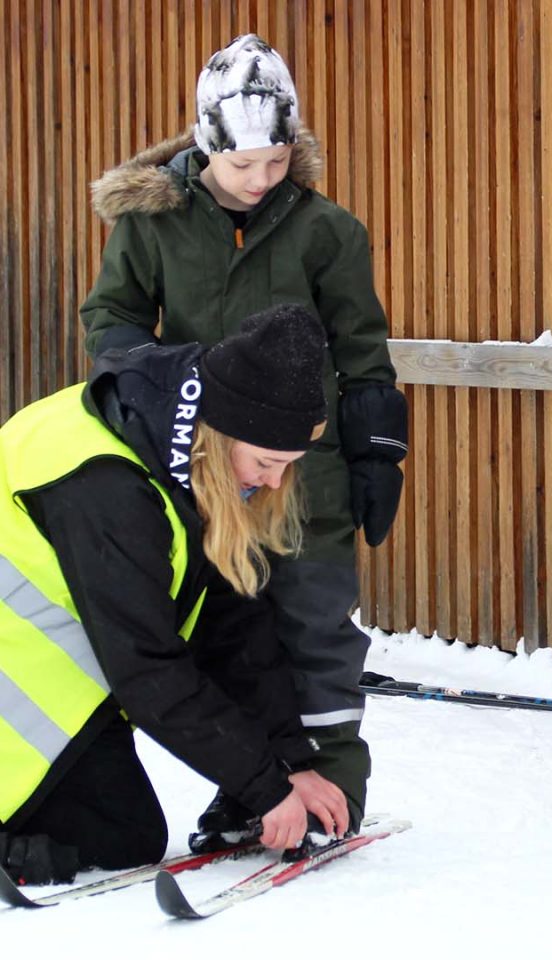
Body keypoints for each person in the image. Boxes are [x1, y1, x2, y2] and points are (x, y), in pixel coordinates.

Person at [79, 34, 407, 844]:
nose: (260, 180)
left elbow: (361, 347)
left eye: (274, 161)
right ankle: (252, 789)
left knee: (316, 627)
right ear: (204, 146)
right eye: (241, 167)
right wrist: (165, 379)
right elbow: (111, 319)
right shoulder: (153, 225)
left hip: (308, 471)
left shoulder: (328, 231)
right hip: (209, 467)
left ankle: (333, 785)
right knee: (230, 629)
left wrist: (377, 448)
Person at [0, 304, 351, 885]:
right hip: (18, 693)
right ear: (223, 434)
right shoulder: (110, 488)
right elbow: (147, 666)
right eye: (267, 462)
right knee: (121, 839)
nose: (275, 482)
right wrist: (263, 788)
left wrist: (290, 764)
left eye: (290, 466)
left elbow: (233, 624)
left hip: (52, 679)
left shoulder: (178, 438)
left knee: (123, 831)